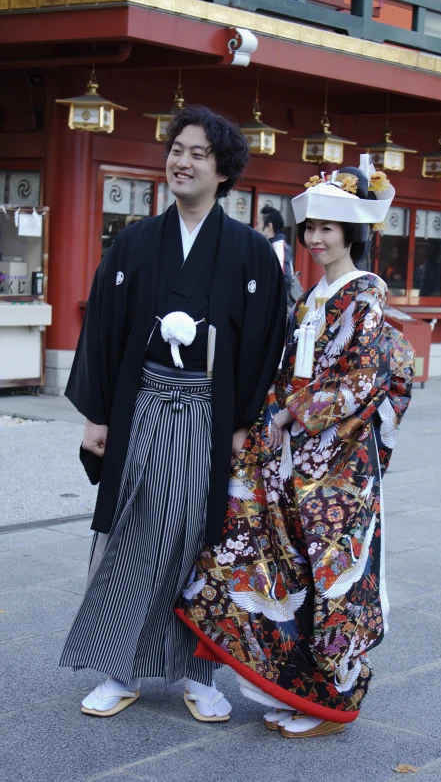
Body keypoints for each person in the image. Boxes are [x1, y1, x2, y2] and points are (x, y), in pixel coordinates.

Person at [59, 105, 287, 721]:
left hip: (208, 417)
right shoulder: (135, 241)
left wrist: (242, 423)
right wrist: (97, 415)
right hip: (140, 408)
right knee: (127, 532)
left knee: (199, 538)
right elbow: (103, 332)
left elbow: (266, 341)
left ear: (224, 171)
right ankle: (119, 668)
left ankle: (197, 674)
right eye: (177, 149)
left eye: (198, 154)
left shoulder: (250, 253)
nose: (181, 162)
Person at [176, 159, 414, 737]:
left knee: (333, 576)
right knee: (285, 567)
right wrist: (269, 417)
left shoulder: (365, 299)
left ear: (351, 233)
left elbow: (361, 381)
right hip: (294, 456)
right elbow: (288, 367)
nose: (315, 238)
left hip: (338, 463)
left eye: (329, 229)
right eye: (311, 228)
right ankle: (295, 690)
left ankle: (331, 699)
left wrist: (290, 411)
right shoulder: (314, 296)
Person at [256, 205, 294, 306]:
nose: (255, 227)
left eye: (257, 223)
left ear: (269, 227)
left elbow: (280, 282)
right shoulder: (269, 246)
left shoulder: (278, 247)